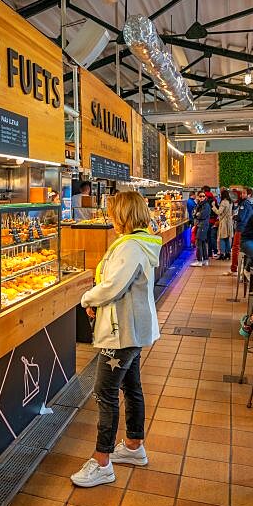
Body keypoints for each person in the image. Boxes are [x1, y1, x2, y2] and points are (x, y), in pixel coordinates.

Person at [72, 191, 162, 487]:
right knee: (132, 386)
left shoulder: (131, 247)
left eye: (112, 211)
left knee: (104, 392)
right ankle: (134, 446)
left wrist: (86, 297)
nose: (109, 216)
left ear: (123, 214)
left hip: (121, 332)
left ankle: (102, 462)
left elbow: (112, 287)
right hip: (132, 329)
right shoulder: (141, 243)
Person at [231, 188, 253, 273]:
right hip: (250, 229)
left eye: (244, 193)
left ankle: (234, 268)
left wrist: (234, 217)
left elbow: (240, 217)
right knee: (246, 250)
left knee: (236, 248)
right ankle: (245, 270)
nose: (242, 195)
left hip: (241, 228)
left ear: (249, 195)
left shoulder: (245, 203)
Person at [191, 191, 213, 267]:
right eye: (200, 196)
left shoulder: (206, 205)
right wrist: (196, 214)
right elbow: (194, 213)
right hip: (200, 225)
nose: (202, 197)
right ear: (198, 197)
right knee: (202, 242)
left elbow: (202, 215)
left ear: (205, 197)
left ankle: (199, 260)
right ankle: (205, 260)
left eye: (203, 196)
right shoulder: (200, 205)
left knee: (198, 242)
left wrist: (197, 214)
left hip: (203, 225)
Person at [213, 189, 234, 260]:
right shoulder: (230, 202)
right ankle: (228, 253)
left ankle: (222, 254)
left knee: (222, 238)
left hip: (224, 222)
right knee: (227, 238)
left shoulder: (223, 202)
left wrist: (213, 207)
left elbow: (219, 212)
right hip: (229, 222)